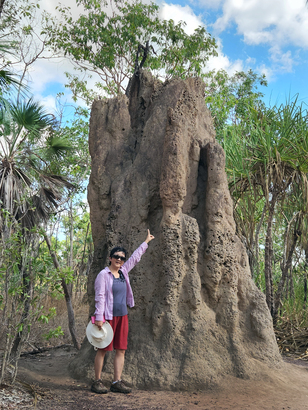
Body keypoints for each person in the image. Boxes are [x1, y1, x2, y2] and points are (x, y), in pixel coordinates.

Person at [91, 229, 155, 394]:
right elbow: (99, 297)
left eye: (122, 258)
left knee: (121, 349)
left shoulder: (123, 272)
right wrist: (99, 317)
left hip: (122, 316)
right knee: (103, 349)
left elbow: (135, 258)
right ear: (110, 258)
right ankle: (97, 381)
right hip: (107, 318)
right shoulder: (103, 275)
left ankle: (116, 381)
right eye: (116, 257)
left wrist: (146, 242)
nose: (119, 260)